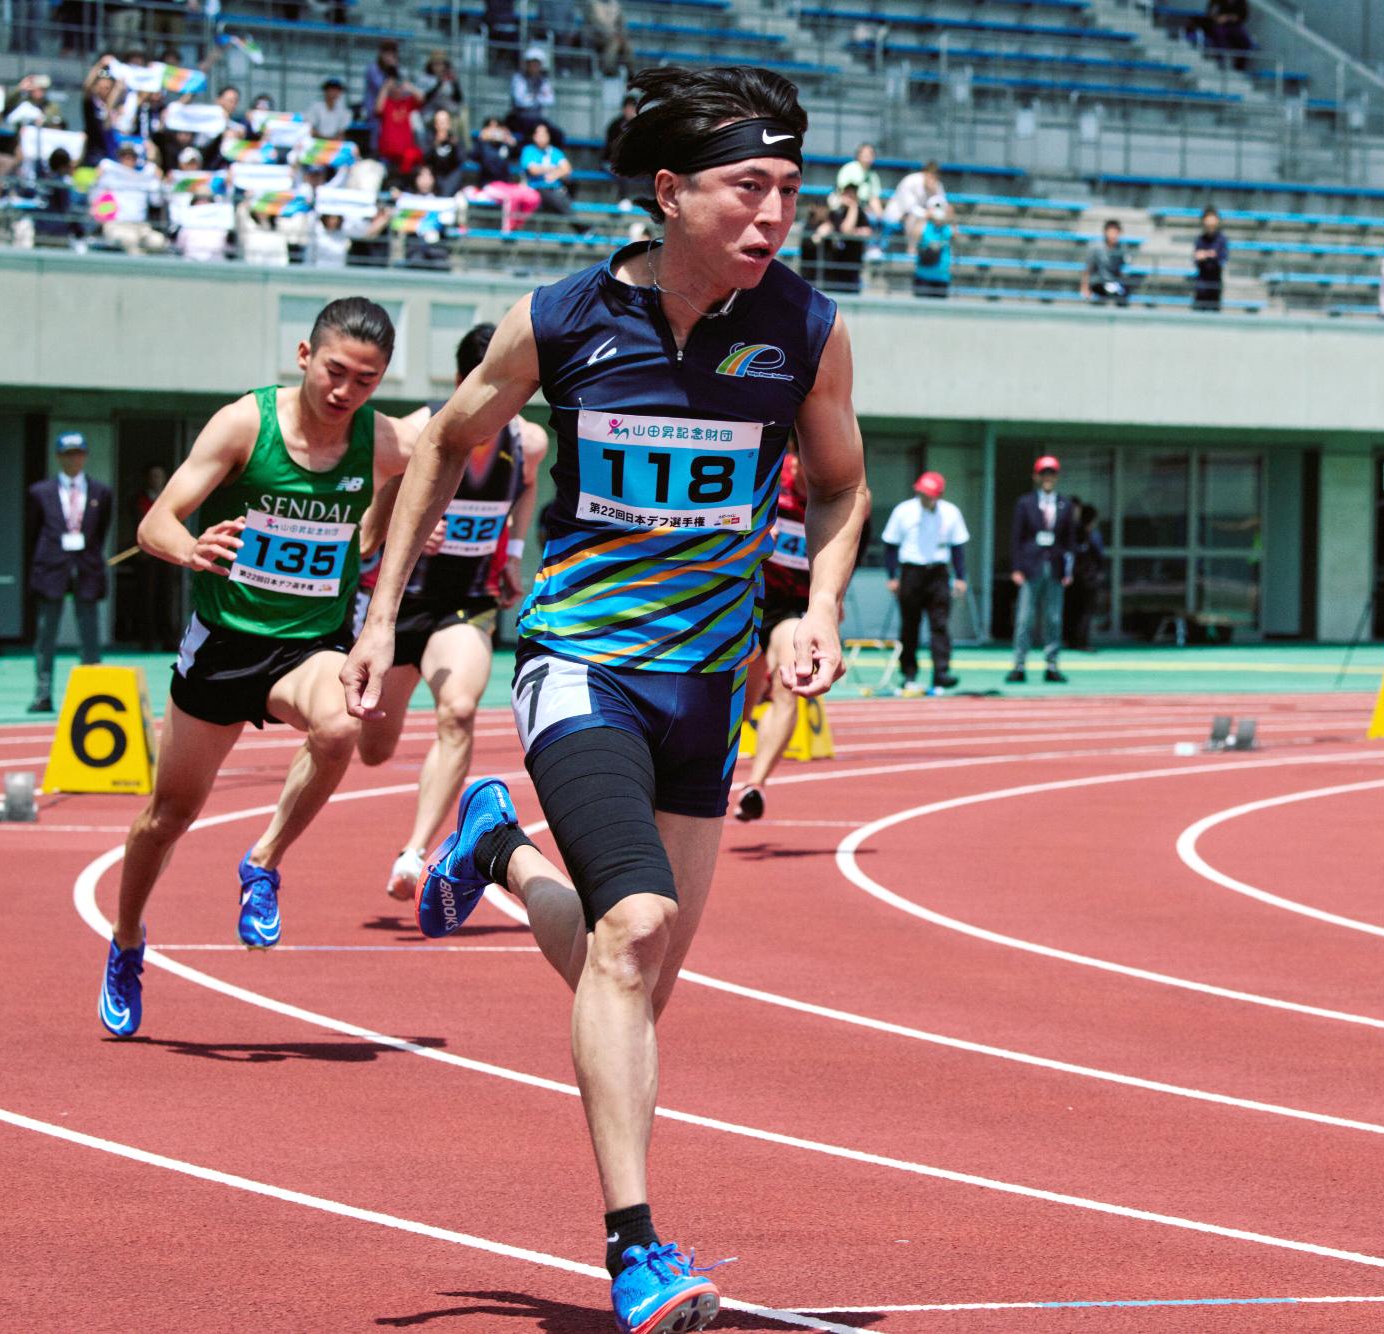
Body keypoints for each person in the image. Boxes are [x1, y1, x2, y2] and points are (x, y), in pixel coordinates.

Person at [339, 65, 870, 1334]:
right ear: (669, 191)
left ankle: (499, 849)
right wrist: (380, 612)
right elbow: (441, 442)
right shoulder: (561, 316)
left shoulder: (805, 328)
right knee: (631, 931)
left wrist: (817, 606)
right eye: (747, 187)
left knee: (633, 976)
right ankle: (636, 1250)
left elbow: (842, 485)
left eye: (789, 190)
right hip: (580, 663)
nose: (773, 214)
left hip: (707, 686)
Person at [96, 298, 409, 1039]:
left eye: (366, 381)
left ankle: (263, 860)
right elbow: (156, 521)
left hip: (308, 646)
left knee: (342, 724)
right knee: (167, 817)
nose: (345, 391)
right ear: (304, 355)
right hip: (224, 646)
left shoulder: (382, 439)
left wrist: (385, 526)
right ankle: (128, 940)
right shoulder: (245, 424)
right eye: (335, 371)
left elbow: (441, 458)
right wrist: (191, 548)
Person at [356, 323, 546, 900]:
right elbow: (365, 527)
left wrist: (513, 552)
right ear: (464, 380)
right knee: (372, 750)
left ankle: (415, 852)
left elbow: (526, 489)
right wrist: (406, 521)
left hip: (467, 604)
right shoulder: (414, 432)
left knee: (459, 710)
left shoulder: (528, 441)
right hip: (401, 606)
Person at [731, 447, 810, 821]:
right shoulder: (770, 479)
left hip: (789, 609)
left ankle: (755, 785)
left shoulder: (845, 490)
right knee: (740, 706)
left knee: (788, 685)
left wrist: (833, 600)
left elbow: (850, 547)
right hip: (747, 600)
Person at [25, 431, 112, 713]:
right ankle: (43, 694)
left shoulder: (101, 492)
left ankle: (92, 694)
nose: (73, 459)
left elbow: (101, 531)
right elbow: (32, 531)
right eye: (67, 454)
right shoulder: (40, 492)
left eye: (77, 453)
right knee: (45, 634)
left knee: (90, 634)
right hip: (51, 568)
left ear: (85, 456)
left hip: (87, 568)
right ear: (58, 457)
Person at [880, 469, 968, 691]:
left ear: (938, 495)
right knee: (910, 625)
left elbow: (958, 547)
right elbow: (890, 545)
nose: (925, 498)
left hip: (938, 573)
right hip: (911, 572)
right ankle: (908, 673)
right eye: (922, 493)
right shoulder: (903, 511)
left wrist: (960, 577)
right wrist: (892, 576)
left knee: (940, 624)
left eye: (929, 494)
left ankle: (941, 672)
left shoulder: (951, 513)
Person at [1005, 455, 1074, 685]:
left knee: (1054, 618)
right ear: (1036, 476)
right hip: (1030, 566)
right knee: (1024, 618)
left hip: (1054, 567)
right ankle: (1019, 664)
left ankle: (1052, 664)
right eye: (1044, 473)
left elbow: (1069, 541)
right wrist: (1016, 567)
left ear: (1057, 477)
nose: (1047, 477)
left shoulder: (1065, 504)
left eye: (1051, 473)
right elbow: (1016, 537)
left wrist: (1068, 570)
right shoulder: (1025, 503)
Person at [130, 463, 179, 651]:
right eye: (153, 476)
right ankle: (147, 640)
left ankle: (168, 640)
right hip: (146, 556)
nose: (156, 480)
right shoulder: (138, 499)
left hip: (166, 554)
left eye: (159, 476)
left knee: (166, 597)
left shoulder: (171, 499)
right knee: (146, 598)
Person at [1064, 502, 1105, 651]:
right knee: (1086, 611)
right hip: (1089, 579)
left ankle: (1071, 640)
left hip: (1074, 578)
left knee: (1073, 610)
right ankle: (1082, 641)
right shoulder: (1093, 535)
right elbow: (1099, 556)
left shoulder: (1073, 533)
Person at [881, 159, 942, 255]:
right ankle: (911, 250)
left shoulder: (937, 185)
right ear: (924, 173)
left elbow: (942, 206)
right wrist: (928, 213)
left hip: (922, 219)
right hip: (898, 214)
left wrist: (935, 207)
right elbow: (909, 208)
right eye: (930, 175)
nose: (932, 179)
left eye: (935, 176)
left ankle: (935, 252)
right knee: (913, 218)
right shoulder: (910, 181)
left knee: (937, 220)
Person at [374, 71, 424, 182]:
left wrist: (410, 87)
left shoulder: (407, 102)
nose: (397, 88)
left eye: (399, 85)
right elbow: (378, 109)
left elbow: (421, 99)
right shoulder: (387, 102)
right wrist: (385, 88)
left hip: (404, 153)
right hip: (387, 152)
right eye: (395, 86)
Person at [507, 47, 562, 144]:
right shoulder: (518, 78)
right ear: (527, 64)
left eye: (537, 63)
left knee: (557, 135)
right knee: (531, 133)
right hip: (519, 117)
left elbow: (550, 100)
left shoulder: (544, 81)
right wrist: (540, 97)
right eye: (532, 63)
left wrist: (532, 97)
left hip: (537, 118)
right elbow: (520, 101)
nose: (535, 66)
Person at [520, 120, 574, 215]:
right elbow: (533, 170)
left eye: (544, 134)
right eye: (539, 134)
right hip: (536, 187)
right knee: (554, 198)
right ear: (533, 136)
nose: (542, 137)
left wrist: (554, 174)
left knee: (563, 193)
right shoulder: (528, 150)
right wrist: (555, 168)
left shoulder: (555, 152)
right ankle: (578, 222)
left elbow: (567, 169)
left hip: (555, 188)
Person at [1084, 219, 1130, 305]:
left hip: (1113, 282)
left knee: (1123, 297)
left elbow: (1123, 267)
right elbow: (1088, 268)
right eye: (1111, 232)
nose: (1113, 235)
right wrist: (1085, 288)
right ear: (1105, 232)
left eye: (1116, 232)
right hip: (1098, 282)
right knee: (1103, 295)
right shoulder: (1096, 247)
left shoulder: (1122, 247)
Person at [912, 201, 952, 298]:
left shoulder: (947, 228)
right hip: (923, 276)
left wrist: (949, 216)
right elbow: (914, 234)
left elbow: (957, 234)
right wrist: (926, 216)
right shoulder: (925, 226)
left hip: (942, 276)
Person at [1191, 206, 1228, 311]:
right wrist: (1209, 254)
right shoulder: (1200, 239)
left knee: (1214, 313)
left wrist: (1205, 254)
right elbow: (1196, 257)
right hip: (1201, 284)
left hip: (1215, 284)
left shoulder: (1221, 239)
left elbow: (1222, 258)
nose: (1210, 225)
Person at [304, 77, 352, 142]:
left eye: (337, 90)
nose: (334, 92)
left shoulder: (344, 111)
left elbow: (341, 133)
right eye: (331, 89)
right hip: (316, 142)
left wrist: (332, 141)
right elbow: (310, 129)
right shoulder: (315, 107)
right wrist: (325, 139)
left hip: (334, 143)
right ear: (325, 91)